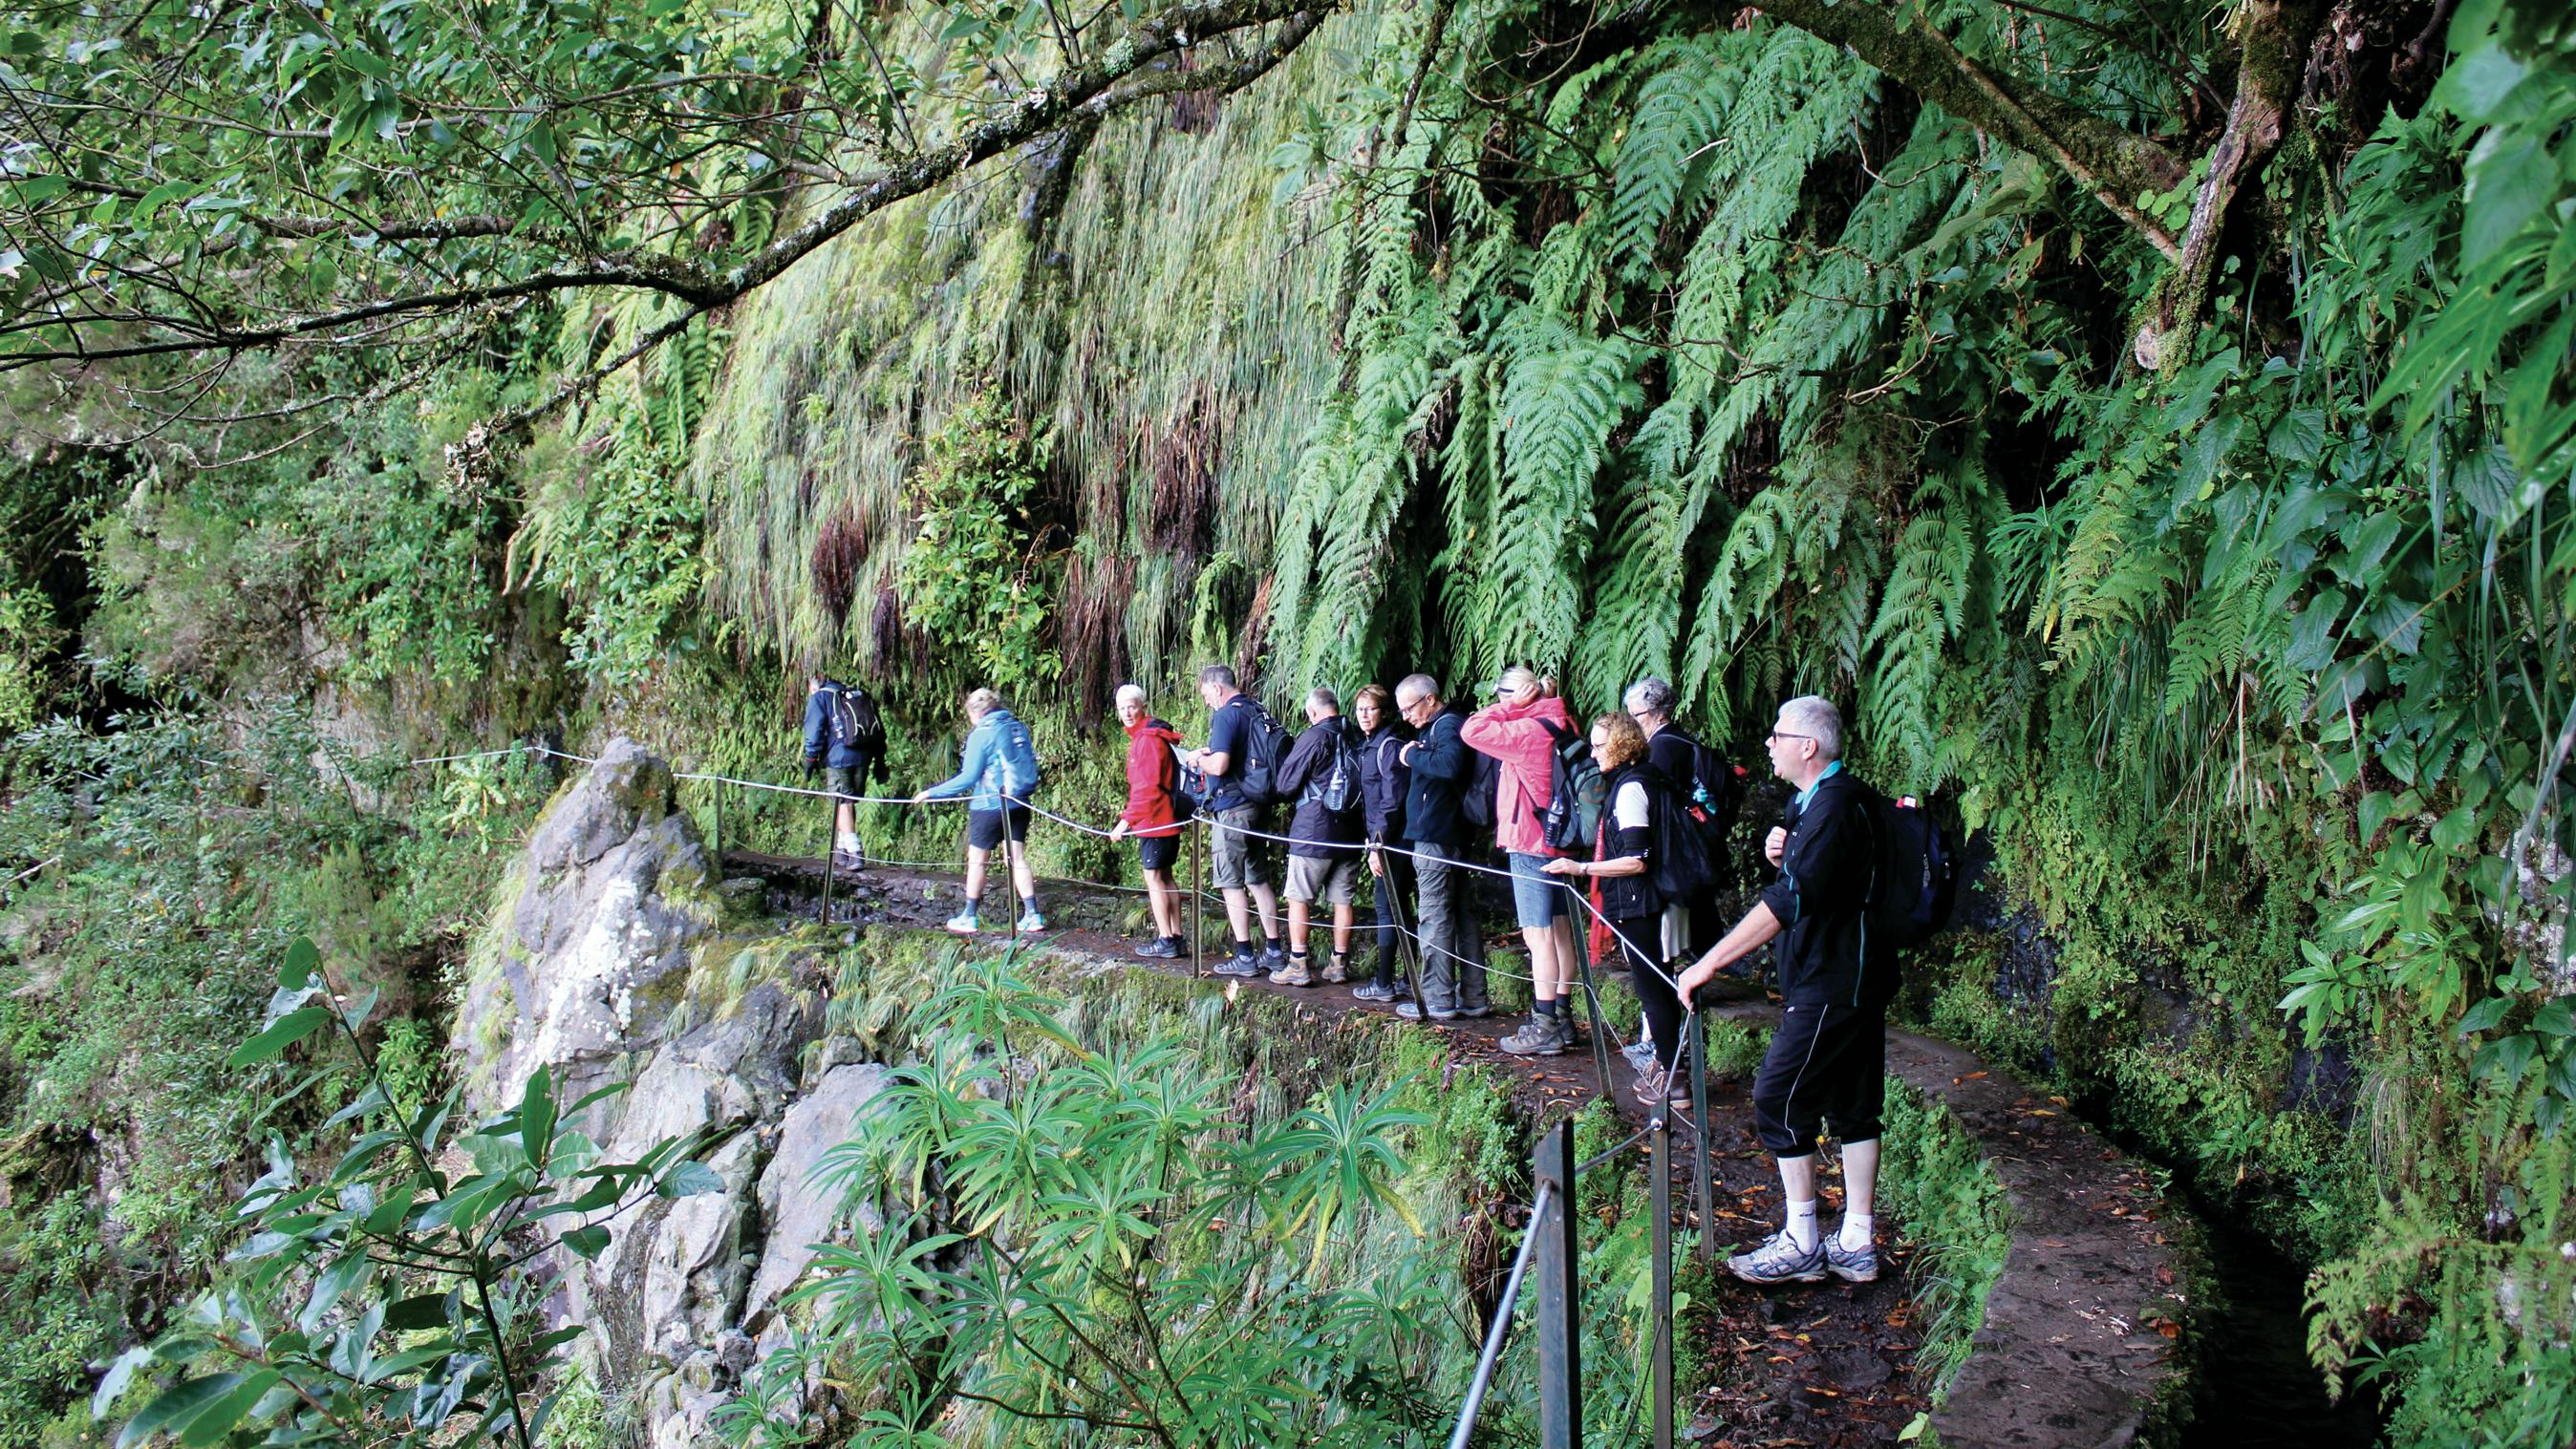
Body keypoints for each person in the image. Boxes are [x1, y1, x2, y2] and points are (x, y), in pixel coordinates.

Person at [1677, 695, 1886, 1287]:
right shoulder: (1823, 802)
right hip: (1853, 973)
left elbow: (1788, 902)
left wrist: (1707, 964)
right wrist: (1785, 849)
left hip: (1833, 977)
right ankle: (1856, 1240)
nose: (1768, 743)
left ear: (1808, 746)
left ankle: (1801, 1240)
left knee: (1777, 1098)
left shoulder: (1836, 808)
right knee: (1853, 1104)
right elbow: (1817, 876)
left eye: (1777, 735)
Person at [1545, 714, 1691, 1111]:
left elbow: (1637, 858)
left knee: (1654, 990)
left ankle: (1672, 1079)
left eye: (1598, 745)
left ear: (1622, 745)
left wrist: (1582, 868)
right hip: (1654, 900)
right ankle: (1672, 1069)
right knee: (1660, 987)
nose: (1592, 754)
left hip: (1641, 902)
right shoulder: (1650, 778)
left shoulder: (1630, 789)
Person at [1460, 666, 1579, 1056]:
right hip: (1561, 841)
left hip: (1530, 842)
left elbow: (1472, 730)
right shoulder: (1563, 723)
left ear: (1521, 694)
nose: (1496, 702)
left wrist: (1512, 707)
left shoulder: (1527, 730)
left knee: (1537, 935)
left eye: (1501, 694)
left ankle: (1544, 1024)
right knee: (1560, 930)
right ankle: (1562, 1016)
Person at [1393, 674, 1491, 1021]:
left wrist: (1411, 756)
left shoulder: (1447, 727)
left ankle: (1438, 998)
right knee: (1462, 913)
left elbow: (1449, 765)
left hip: (1437, 836)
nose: (1406, 716)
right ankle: (1474, 996)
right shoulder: (1443, 727)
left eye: (1409, 708)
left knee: (1434, 915)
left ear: (1430, 699)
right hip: (1452, 833)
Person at [911, 687, 1043, 934]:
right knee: (1016, 858)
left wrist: (931, 793)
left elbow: (969, 777)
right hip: (1019, 802)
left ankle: (969, 916)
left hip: (989, 805)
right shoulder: (1016, 727)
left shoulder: (981, 733)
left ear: (975, 712)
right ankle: (1033, 914)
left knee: (977, 861)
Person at [1183, 664, 1286, 976]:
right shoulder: (1256, 709)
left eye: (1206, 694)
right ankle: (1274, 951)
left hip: (1233, 809)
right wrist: (1211, 753)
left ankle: (1244, 956)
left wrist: (1197, 758)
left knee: (1230, 881)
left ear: (1217, 688)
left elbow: (1220, 764)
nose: (1206, 702)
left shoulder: (1226, 714)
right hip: (1258, 804)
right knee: (1258, 878)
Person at [1272, 688, 1363, 986]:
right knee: (1342, 900)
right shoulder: (1356, 735)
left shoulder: (1314, 736)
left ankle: (1298, 964)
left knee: (1298, 896)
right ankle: (1339, 963)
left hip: (1314, 830)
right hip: (1351, 832)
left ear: (1313, 713)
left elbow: (1285, 784)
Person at [1106, 683, 1190, 959]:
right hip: (1164, 818)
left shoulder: (1147, 740)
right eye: (1122, 708)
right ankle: (1175, 937)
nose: (1127, 713)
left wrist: (1125, 823)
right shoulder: (1148, 736)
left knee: (1155, 878)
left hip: (1156, 820)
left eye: (1132, 706)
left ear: (1143, 706)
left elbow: (1148, 788)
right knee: (1165, 876)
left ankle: (1167, 938)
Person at [1351, 683, 1413, 1004]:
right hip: (1387, 838)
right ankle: (1404, 979)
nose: (1363, 714)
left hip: (1392, 842)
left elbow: (1393, 800)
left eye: (1370, 708)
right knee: (1398, 905)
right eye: (1360, 708)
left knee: (1387, 907)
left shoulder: (1388, 746)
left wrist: (1378, 844)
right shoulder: (1372, 744)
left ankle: (1385, 982)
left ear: (1384, 711)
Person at [803, 673, 885, 868]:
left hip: (838, 757)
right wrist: (880, 759)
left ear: (813, 687)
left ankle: (855, 852)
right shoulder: (854, 693)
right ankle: (842, 849)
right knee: (848, 802)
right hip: (864, 754)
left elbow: (814, 731)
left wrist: (811, 758)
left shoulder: (820, 698)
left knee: (842, 802)